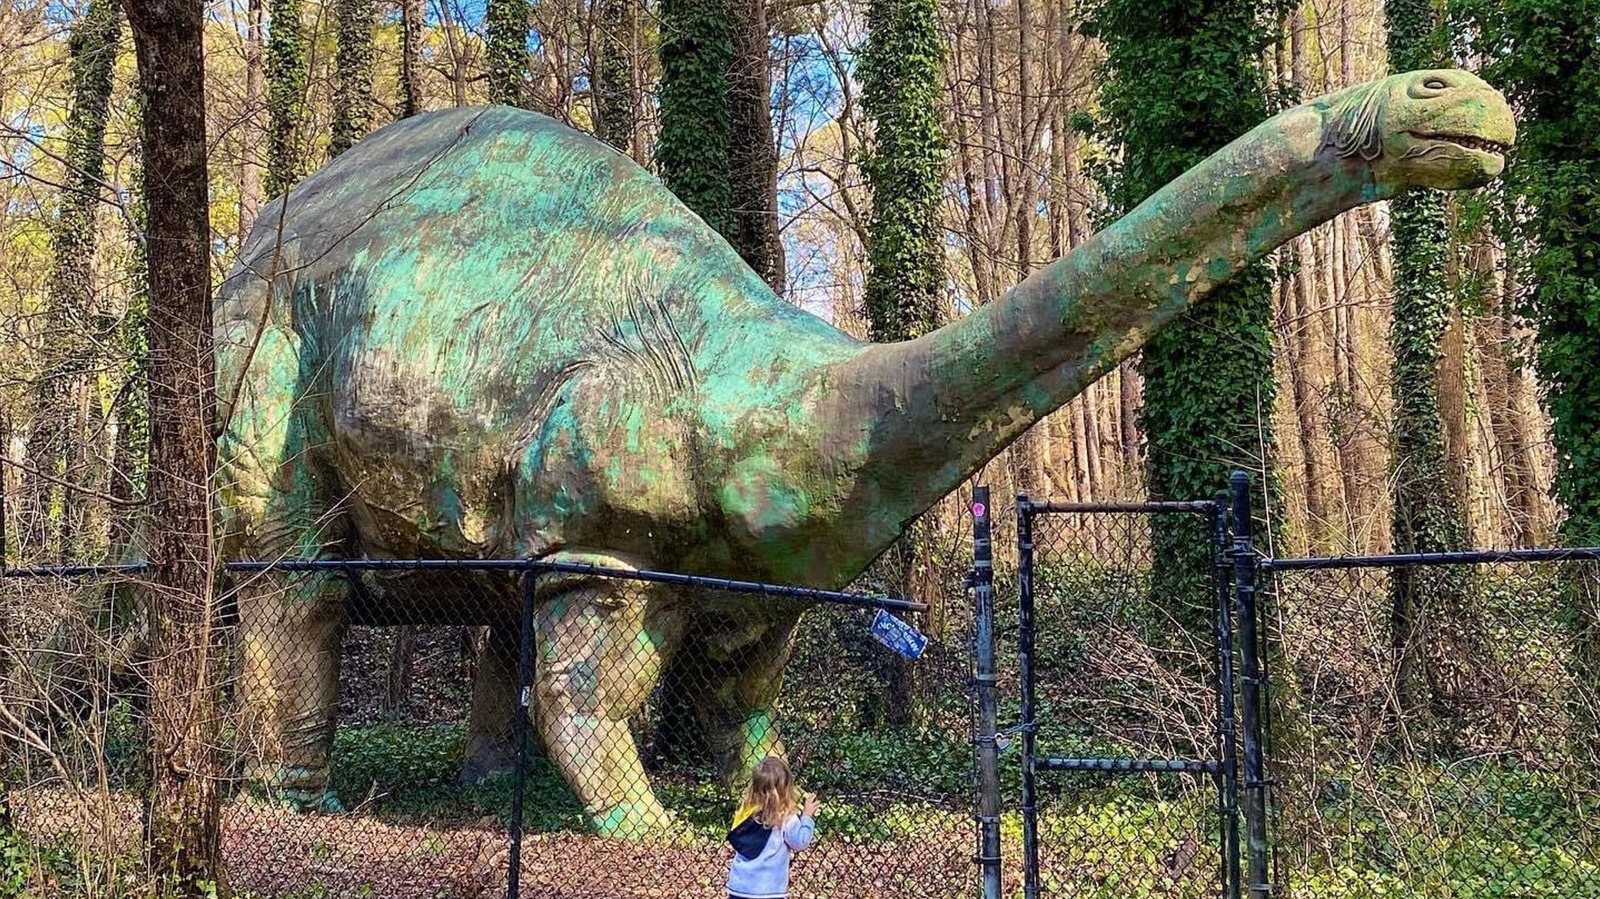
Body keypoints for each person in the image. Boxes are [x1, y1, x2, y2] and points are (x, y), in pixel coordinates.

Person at [726, 755, 820, 899]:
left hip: (739, 887)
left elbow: (736, 837)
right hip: (769, 891)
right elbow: (800, 842)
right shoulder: (785, 817)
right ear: (786, 788)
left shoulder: (746, 811)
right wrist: (807, 817)